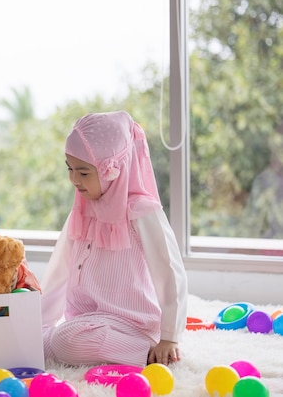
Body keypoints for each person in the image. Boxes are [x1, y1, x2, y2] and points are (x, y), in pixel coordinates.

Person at [41, 110, 188, 367]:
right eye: (70, 169)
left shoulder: (141, 210)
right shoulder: (81, 211)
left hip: (132, 324)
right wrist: (39, 323)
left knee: (65, 341)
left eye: (84, 172)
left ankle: (148, 354)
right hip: (87, 321)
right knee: (44, 341)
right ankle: (65, 341)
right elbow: (59, 271)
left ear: (113, 170)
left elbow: (170, 272)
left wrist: (170, 336)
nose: (74, 180)